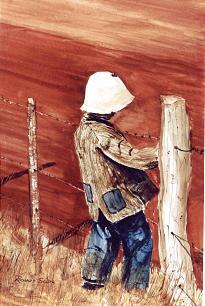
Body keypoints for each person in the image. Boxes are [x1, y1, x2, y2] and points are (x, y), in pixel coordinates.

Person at [74, 71, 159, 290]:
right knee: (139, 239)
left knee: (103, 234)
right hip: (118, 200)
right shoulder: (102, 134)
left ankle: (92, 280)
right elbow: (128, 155)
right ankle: (135, 287)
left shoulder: (83, 129)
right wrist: (161, 153)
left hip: (99, 198)